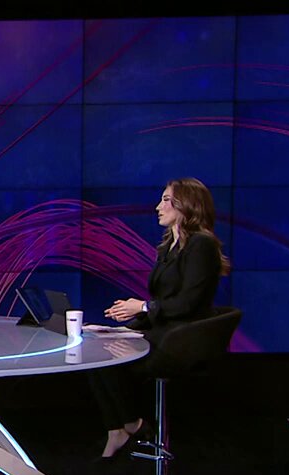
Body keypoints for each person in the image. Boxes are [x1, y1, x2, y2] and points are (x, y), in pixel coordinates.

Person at [91, 177, 231, 458]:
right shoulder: (169, 247)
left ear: (187, 204)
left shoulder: (201, 245)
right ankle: (117, 429)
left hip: (182, 339)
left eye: (166, 200)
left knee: (108, 358)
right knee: (95, 347)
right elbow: (163, 302)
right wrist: (120, 328)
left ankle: (132, 423)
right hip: (163, 330)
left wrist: (141, 307)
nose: (158, 207)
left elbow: (187, 303)